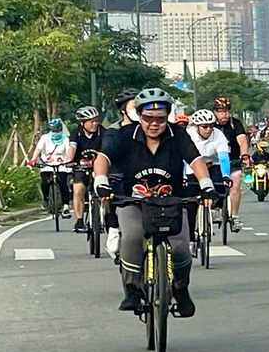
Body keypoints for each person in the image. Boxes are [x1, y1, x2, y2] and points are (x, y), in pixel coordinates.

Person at [93, 86, 215, 319]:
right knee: (132, 236)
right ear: (139, 116)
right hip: (133, 202)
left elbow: (195, 160)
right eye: (148, 118)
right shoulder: (124, 136)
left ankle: (180, 289)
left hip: (171, 202)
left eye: (160, 118)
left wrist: (206, 185)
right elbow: (104, 158)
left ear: (167, 116)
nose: (154, 124)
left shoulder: (177, 135)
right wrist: (101, 181)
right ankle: (131, 289)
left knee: (181, 248)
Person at [211, 95, 251, 231]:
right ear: (215, 112)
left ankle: (234, 216)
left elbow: (242, 141)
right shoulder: (209, 125)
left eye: (227, 111)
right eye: (221, 111)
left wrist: (244, 155)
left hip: (232, 160)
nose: (224, 114)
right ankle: (215, 209)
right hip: (214, 162)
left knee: (236, 184)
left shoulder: (235, 124)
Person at [67, 106, 105, 232]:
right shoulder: (76, 133)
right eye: (91, 121)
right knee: (78, 190)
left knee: (104, 190)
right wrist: (69, 160)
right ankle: (79, 220)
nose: (95, 124)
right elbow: (72, 147)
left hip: (99, 167)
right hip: (80, 167)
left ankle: (104, 218)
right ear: (82, 123)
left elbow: (108, 148)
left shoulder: (103, 132)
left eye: (96, 121)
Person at [28, 117, 74, 212]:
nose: (54, 132)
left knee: (63, 185)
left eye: (56, 130)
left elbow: (69, 150)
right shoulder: (45, 138)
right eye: (52, 130)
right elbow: (38, 149)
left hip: (61, 165)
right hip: (47, 165)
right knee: (45, 183)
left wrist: (70, 160)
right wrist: (33, 159)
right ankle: (45, 199)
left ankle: (65, 205)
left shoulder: (65, 139)